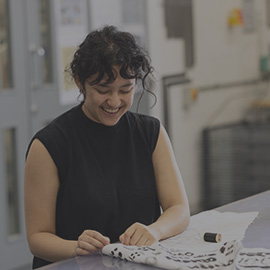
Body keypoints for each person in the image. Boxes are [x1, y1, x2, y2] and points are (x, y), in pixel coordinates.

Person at [24, 25, 190, 269]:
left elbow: (179, 209)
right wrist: (75, 248)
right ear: (80, 83)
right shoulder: (49, 145)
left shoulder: (150, 133)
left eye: (126, 90)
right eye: (103, 90)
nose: (115, 101)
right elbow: (38, 238)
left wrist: (154, 230)